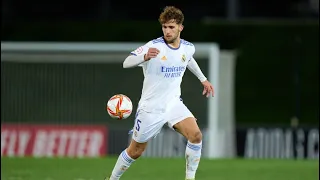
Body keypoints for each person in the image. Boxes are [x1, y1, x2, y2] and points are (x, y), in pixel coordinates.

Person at [105, 6, 214, 180]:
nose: (167, 31)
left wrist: (203, 79)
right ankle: (112, 179)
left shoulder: (188, 47)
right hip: (151, 108)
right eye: (164, 27)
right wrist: (144, 57)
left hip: (173, 104)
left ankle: (190, 178)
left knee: (196, 135)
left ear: (180, 28)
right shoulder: (153, 46)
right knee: (135, 151)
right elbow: (127, 62)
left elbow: (188, 59)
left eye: (171, 27)